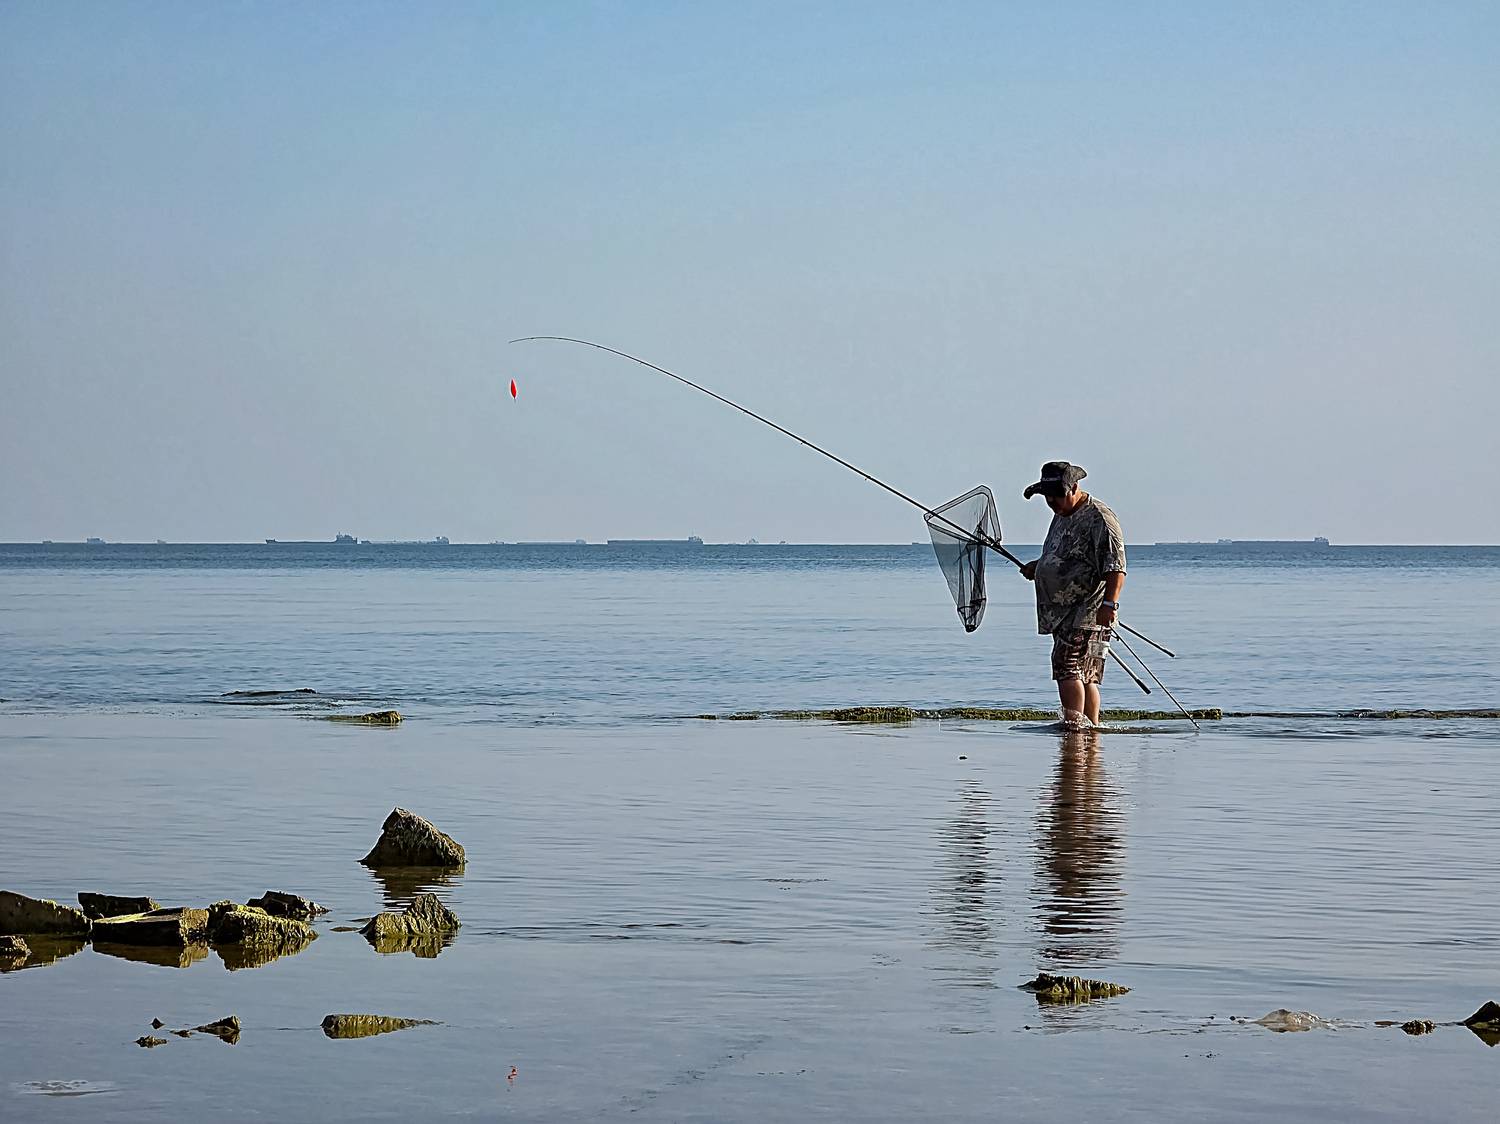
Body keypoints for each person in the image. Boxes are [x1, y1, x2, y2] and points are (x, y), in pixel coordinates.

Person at [1019, 461, 1127, 727]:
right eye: (1048, 497)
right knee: (1085, 674)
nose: (1052, 502)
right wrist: (1039, 566)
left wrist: (1110, 605)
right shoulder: (1061, 513)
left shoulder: (1100, 518)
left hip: (1085, 611)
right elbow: (1067, 555)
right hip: (1061, 613)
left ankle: (1074, 726)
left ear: (1075, 487)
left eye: (1058, 495)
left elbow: (1116, 567)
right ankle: (1090, 731)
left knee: (1068, 667)